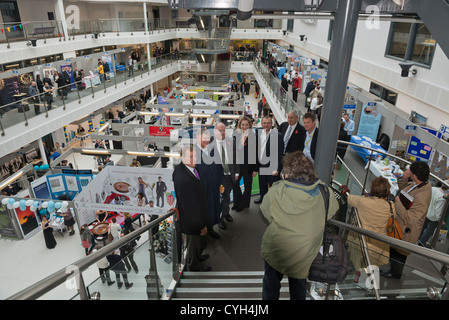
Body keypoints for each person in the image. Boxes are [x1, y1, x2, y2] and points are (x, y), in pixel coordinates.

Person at [261, 151, 339, 300]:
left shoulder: (277, 190)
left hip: (277, 249)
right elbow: (330, 212)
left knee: (271, 286)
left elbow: (265, 212)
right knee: (298, 289)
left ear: (287, 171)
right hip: (304, 252)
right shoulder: (324, 191)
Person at [381, 161, 432, 279]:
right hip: (399, 224)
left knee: (400, 252)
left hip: (406, 230)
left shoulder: (422, 197)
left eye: (411, 173)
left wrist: (398, 204)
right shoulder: (418, 184)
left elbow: (410, 219)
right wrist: (404, 178)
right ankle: (391, 267)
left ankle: (395, 273)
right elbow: (406, 190)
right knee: (394, 249)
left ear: (415, 175)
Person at [344, 177, 394, 280]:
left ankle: (357, 275)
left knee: (358, 261)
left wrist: (345, 191)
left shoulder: (363, 201)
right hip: (379, 242)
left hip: (361, 240)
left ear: (373, 188)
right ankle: (370, 281)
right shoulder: (390, 205)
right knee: (373, 264)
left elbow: (349, 198)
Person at [173, 144, 211, 272]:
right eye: (190, 156)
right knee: (194, 243)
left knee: (198, 244)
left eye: (195, 155)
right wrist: (200, 225)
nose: (194, 159)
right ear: (182, 158)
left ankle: (197, 257)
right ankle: (194, 265)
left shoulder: (185, 169)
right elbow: (190, 206)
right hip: (193, 222)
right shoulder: (184, 179)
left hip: (196, 217)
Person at [208, 122, 237, 229]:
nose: (222, 132)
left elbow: (236, 159)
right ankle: (219, 219)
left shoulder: (231, 141)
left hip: (228, 176)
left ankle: (226, 213)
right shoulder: (209, 145)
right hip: (217, 178)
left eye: (223, 130)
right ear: (215, 132)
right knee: (218, 198)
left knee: (227, 197)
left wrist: (236, 173)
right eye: (219, 130)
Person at [254, 115, 284, 204]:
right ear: (261, 123)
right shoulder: (258, 132)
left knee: (273, 186)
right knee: (262, 184)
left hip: (272, 166)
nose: (266, 125)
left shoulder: (278, 135)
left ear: (272, 124)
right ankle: (263, 197)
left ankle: (273, 202)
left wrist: (277, 169)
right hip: (261, 165)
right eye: (264, 123)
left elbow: (279, 154)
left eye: (268, 123)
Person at [233, 116, 258, 212]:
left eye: (246, 125)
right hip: (238, 165)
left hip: (249, 166)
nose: (244, 127)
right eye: (242, 125)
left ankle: (243, 204)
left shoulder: (254, 136)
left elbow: (257, 153)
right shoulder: (236, 134)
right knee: (235, 184)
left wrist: (255, 169)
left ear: (250, 125)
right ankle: (237, 202)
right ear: (240, 125)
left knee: (247, 187)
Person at [419, 182, 448, 247]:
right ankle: (422, 242)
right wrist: (441, 220)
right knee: (430, 230)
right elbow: (438, 211)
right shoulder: (442, 198)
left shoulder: (433, 188)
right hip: (434, 217)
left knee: (422, 227)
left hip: (427, 211)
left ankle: (418, 238)